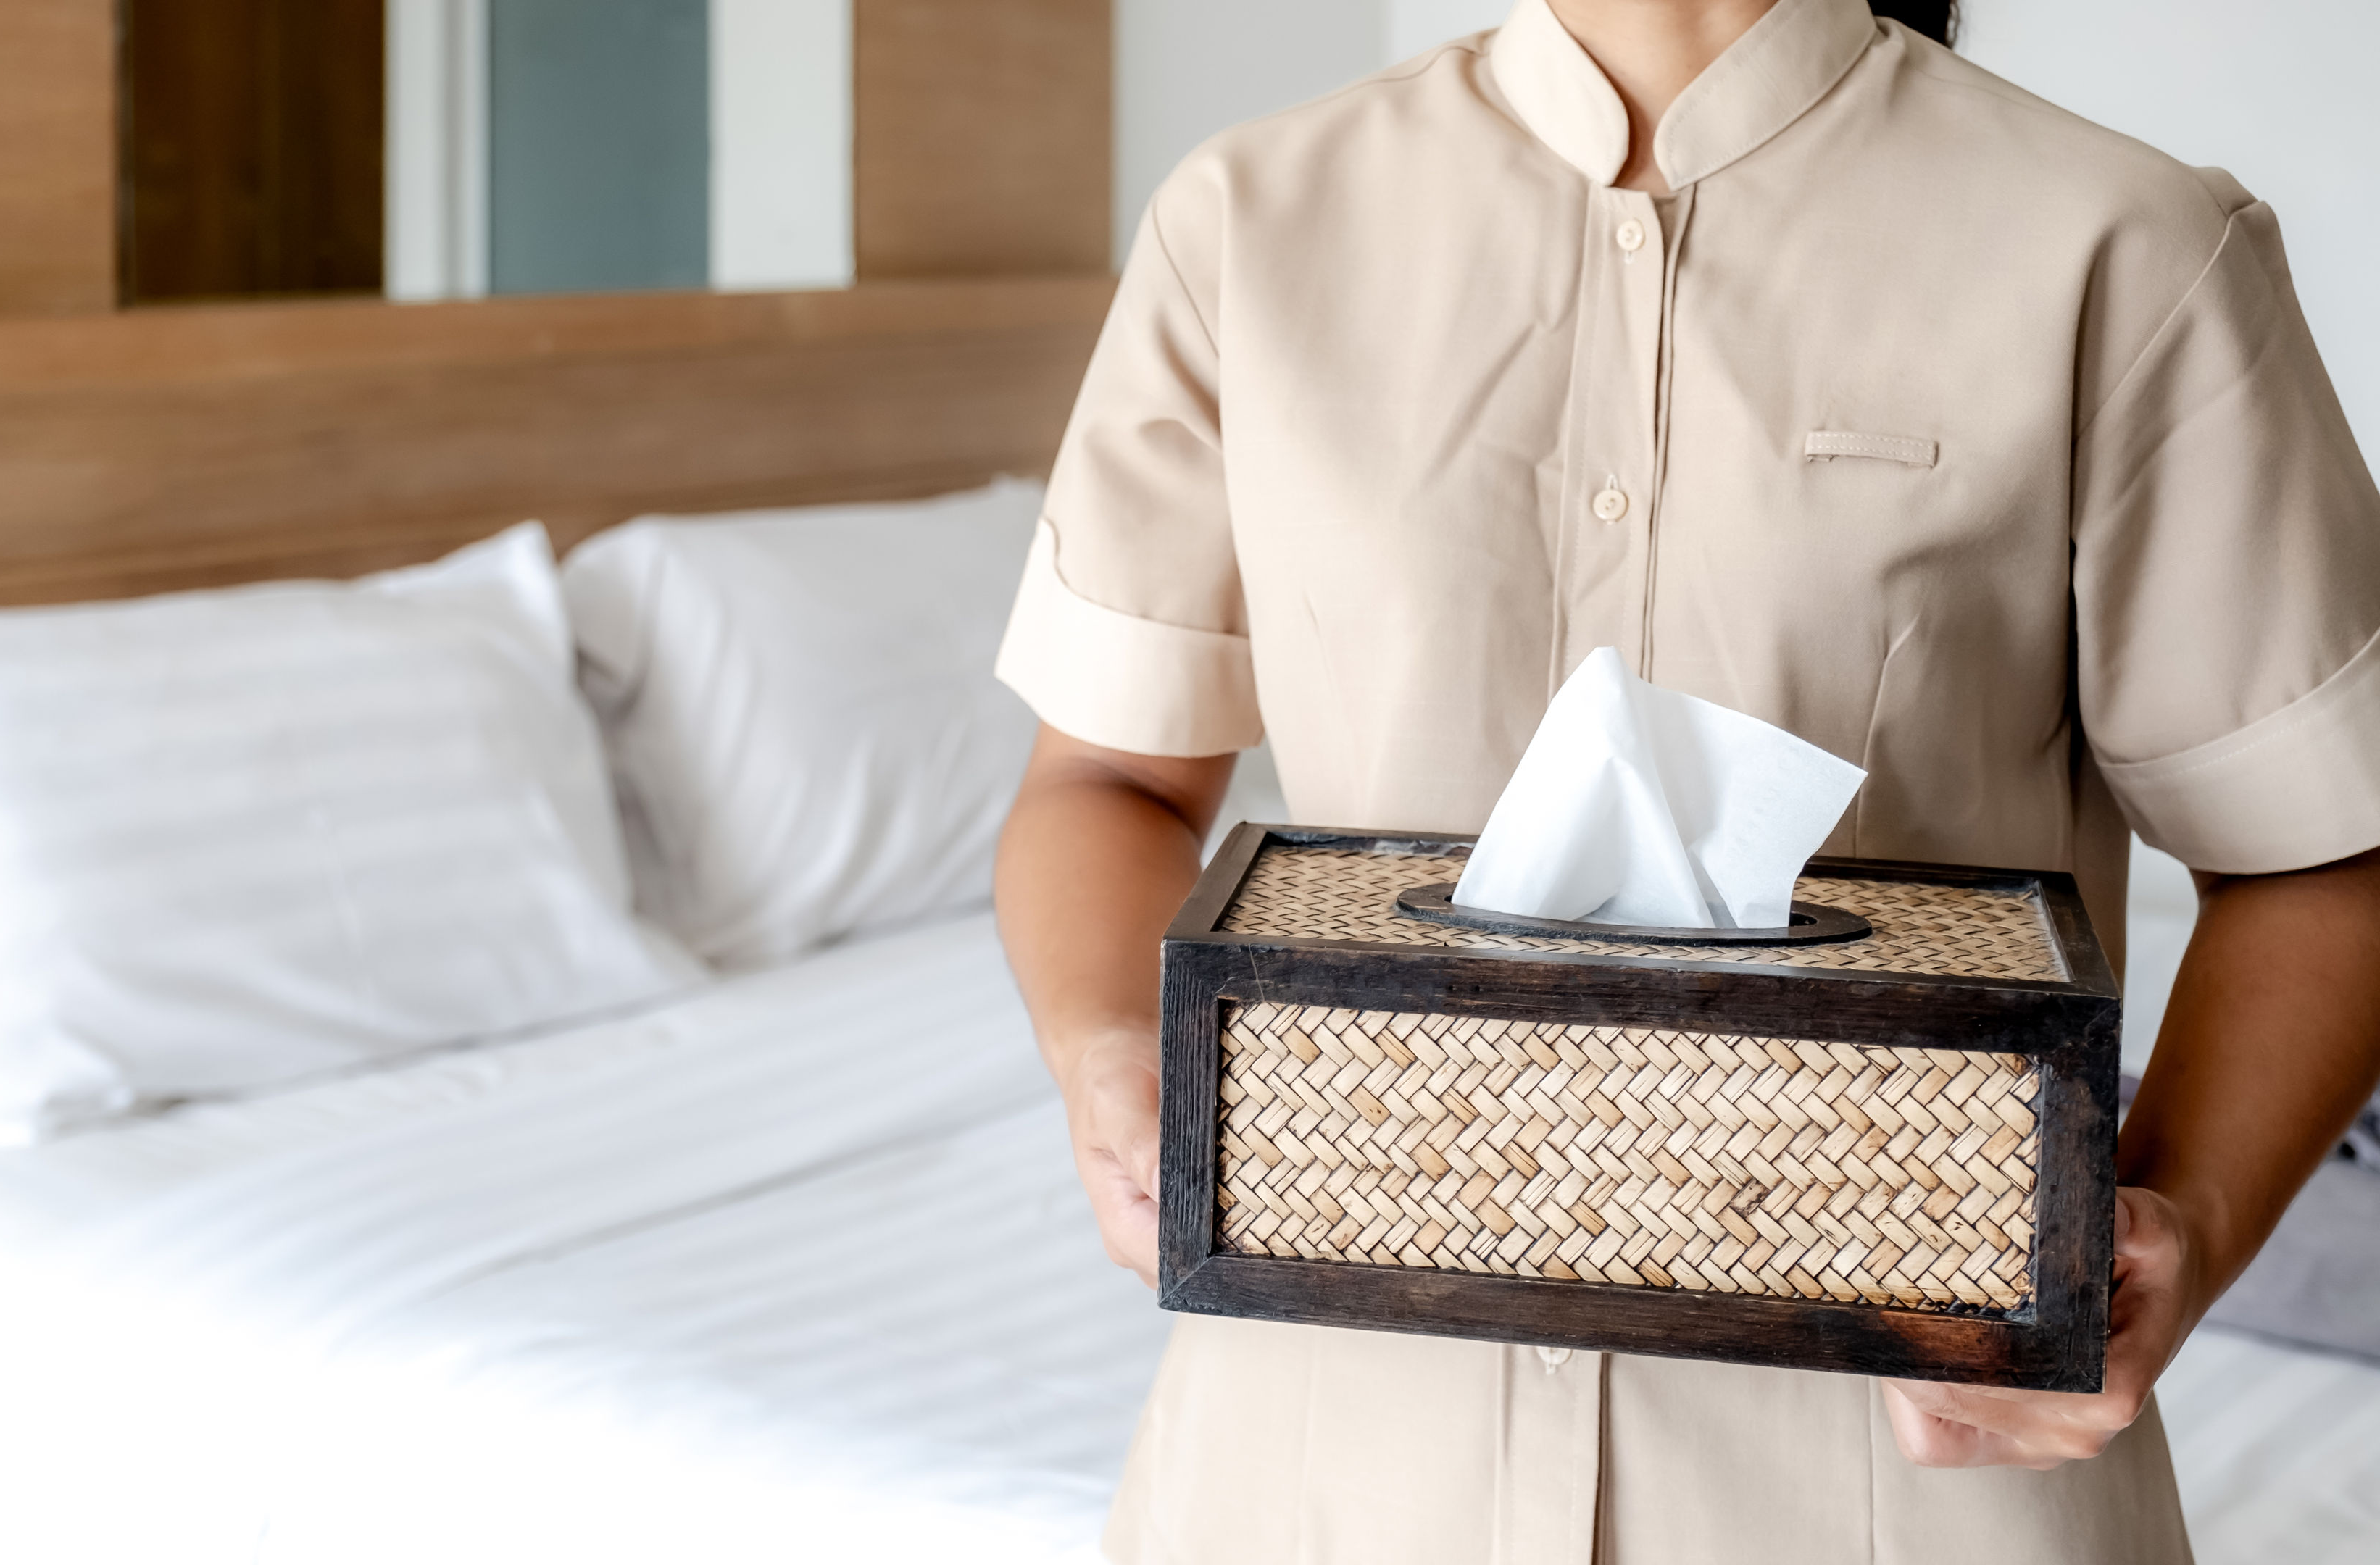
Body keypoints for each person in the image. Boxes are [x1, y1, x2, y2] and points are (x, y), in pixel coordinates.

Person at [990, 0, 2380, 1560]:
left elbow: (2323, 851)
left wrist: (2185, 1220)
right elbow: (1106, 776)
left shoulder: (2122, 245)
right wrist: (1111, 1053)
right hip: (1320, 1467)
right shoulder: (1245, 222)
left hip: (1910, 1480)